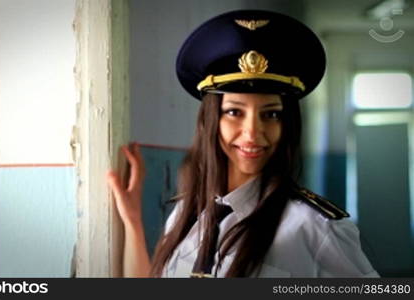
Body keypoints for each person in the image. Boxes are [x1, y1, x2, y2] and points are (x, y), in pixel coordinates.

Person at [107, 10, 379, 278]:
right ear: (211, 120)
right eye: (234, 112)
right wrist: (132, 221)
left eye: (271, 114)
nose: (252, 133)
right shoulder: (186, 212)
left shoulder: (314, 226)